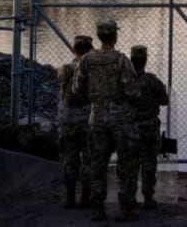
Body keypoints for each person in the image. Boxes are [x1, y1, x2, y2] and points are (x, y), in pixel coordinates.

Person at [72, 20, 141, 221]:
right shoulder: (121, 60)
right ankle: (127, 205)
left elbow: (77, 89)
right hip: (121, 118)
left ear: (99, 37)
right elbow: (132, 91)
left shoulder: (86, 60)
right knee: (126, 163)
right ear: (114, 37)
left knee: (97, 163)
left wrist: (95, 98)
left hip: (96, 117)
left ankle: (97, 207)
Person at [56, 35, 94, 209]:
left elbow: (61, 85)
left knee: (70, 159)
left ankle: (70, 197)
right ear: (90, 51)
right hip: (88, 120)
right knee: (89, 159)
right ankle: (85, 197)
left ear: (73, 50)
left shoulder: (63, 70)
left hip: (68, 120)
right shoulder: (93, 72)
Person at [130, 45, 169, 209]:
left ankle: (129, 197)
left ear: (131, 61)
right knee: (149, 162)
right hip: (149, 127)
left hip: (130, 127)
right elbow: (164, 100)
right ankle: (148, 197)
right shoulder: (152, 81)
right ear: (145, 61)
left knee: (130, 164)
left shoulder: (124, 80)